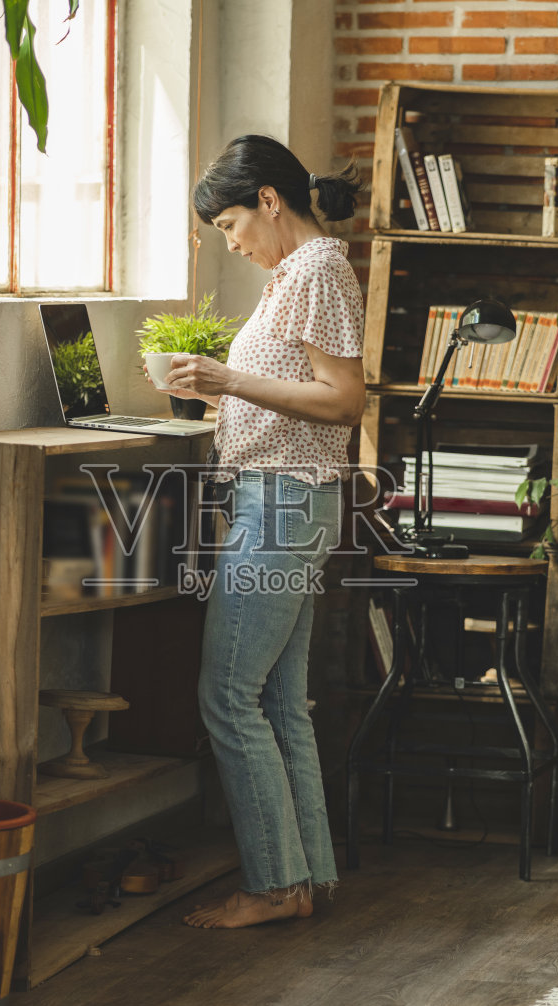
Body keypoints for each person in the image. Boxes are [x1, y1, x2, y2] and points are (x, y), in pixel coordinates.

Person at [155, 134, 366, 929]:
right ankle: (305, 877)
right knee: (279, 698)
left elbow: (344, 400)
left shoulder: (313, 270)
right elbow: (300, 393)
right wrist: (226, 403)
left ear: (270, 201)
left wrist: (227, 379)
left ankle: (275, 884)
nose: (233, 244)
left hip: (280, 505)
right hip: (285, 497)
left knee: (227, 694)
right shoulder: (299, 272)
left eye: (233, 226)